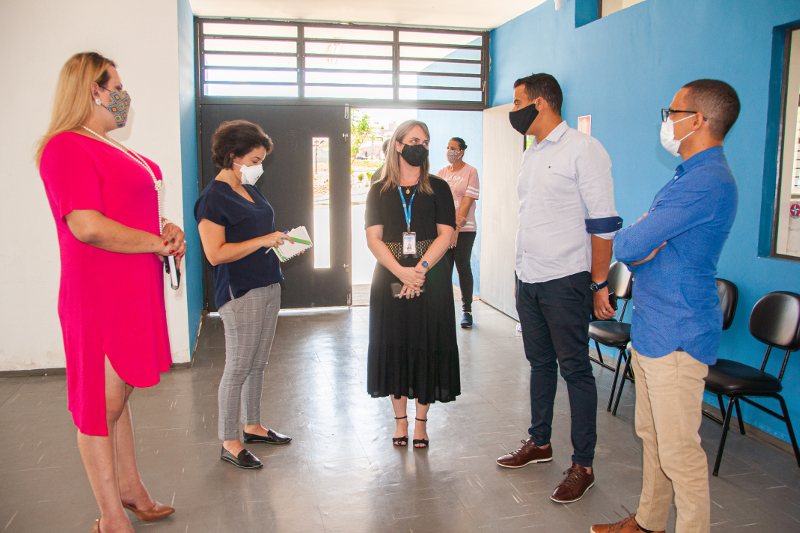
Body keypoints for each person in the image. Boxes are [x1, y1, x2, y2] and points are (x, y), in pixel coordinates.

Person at [37, 52, 182, 533]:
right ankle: (110, 516)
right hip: (97, 291)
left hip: (133, 287)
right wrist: (156, 243)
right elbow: (87, 225)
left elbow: (138, 212)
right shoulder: (65, 147)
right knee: (101, 403)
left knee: (118, 395)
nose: (124, 94)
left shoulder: (121, 151)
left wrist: (167, 228)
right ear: (93, 90)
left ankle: (131, 489)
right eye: (115, 85)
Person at [591, 80, 740, 533]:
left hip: (679, 333)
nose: (666, 119)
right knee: (653, 439)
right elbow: (637, 244)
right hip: (656, 328)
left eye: (672, 111)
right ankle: (649, 522)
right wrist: (642, 240)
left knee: (680, 452)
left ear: (698, 120)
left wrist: (641, 237)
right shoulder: (686, 175)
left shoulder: (706, 182)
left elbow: (631, 241)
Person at [495, 73, 621, 504]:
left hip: (566, 280)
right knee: (539, 364)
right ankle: (540, 443)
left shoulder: (583, 150)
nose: (513, 111)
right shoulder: (531, 153)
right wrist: (518, 275)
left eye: (516, 102)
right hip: (528, 278)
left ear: (542, 103)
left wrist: (599, 283)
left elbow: (603, 224)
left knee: (576, 371)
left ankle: (582, 465)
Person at [195, 120, 293, 470]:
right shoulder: (212, 199)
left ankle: (252, 426)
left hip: (268, 282)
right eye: (253, 159)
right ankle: (229, 440)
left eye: (261, 159)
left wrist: (279, 239)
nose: (258, 166)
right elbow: (215, 253)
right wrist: (262, 241)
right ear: (232, 157)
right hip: (241, 292)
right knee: (238, 366)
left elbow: (259, 230)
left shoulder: (250, 189)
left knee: (259, 363)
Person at [365, 120, 459, 448]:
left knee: (426, 344)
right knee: (395, 345)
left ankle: (421, 424)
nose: (422, 145)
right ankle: (400, 423)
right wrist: (400, 271)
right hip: (389, 274)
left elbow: (446, 235)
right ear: (398, 145)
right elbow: (373, 239)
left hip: (429, 276)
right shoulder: (379, 188)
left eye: (426, 140)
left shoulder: (439, 187)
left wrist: (417, 270)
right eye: (415, 139)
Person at [437, 137, 480, 328]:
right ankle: (443, 310)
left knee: (462, 266)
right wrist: (449, 229)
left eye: (453, 148)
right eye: (447, 148)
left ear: (462, 151)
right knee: (444, 270)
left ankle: (467, 311)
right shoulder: (441, 174)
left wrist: (457, 228)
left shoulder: (471, 171)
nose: (449, 151)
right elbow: (438, 203)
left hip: (466, 229)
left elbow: (467, 200)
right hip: (445, 229)